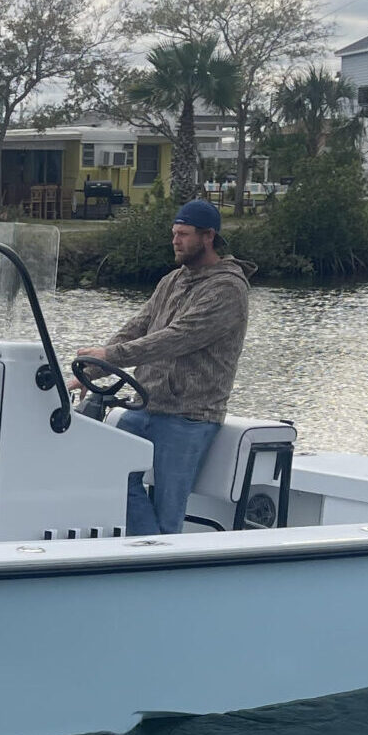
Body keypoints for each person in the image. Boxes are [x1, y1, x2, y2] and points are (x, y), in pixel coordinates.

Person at [74, 199, 251, 536]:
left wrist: (110, 354)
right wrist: (91, 371)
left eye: (183, 234)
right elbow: (138, 327)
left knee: (170, 512)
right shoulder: (172, 280)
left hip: (190, 416)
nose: (175, 241)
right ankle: (149, 547)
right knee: (106, 468)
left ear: (208, 236)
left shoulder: (228, 289)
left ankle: (157, 551)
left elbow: (177, 338)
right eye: (174, 233)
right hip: (144, 406)